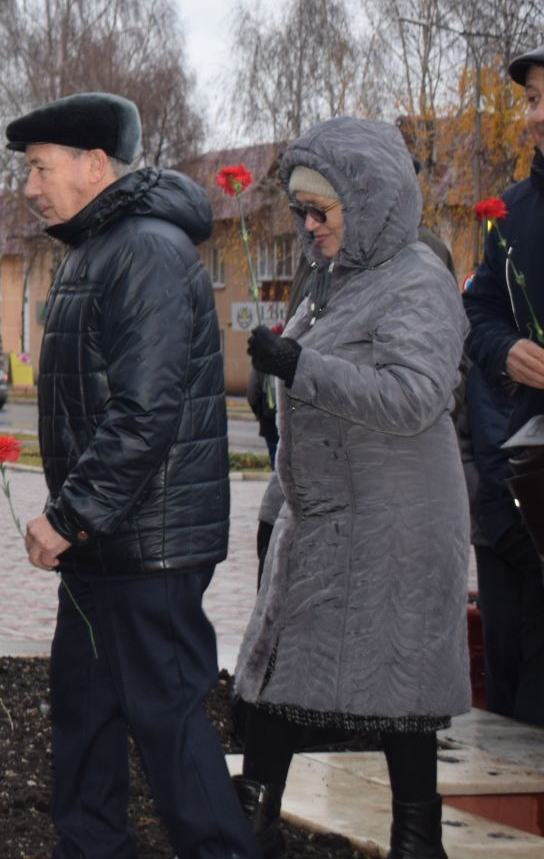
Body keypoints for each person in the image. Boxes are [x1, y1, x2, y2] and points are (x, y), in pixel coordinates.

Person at [6, 92, 252, 859]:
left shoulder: (144, 249)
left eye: (41, 168)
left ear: (95, 165)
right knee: (85, 719)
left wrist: (69, 516)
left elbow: (145, 413)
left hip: (150, 546)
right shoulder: (95, 248)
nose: (30, 187)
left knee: (169, 724)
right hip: (105, 547)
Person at [234, 117, 470, 859]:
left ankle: (415, 842)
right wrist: (274, 398)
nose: (308, 227)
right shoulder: (334, 281)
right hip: (334, 521)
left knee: (399, 692)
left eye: (321, 213)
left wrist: (299, 370)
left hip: (397, 526)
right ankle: (252, 826)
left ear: (366, 205)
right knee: (280, 679)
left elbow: (415, 395)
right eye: (300, 213)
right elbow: (315, 394)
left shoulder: (417, 279)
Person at [464, 42, 544, 727]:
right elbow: (477, 313)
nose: (535, 117)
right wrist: (506, 348)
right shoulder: (510, 215)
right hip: (521, 496)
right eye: (531, 100)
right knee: (516, 702)